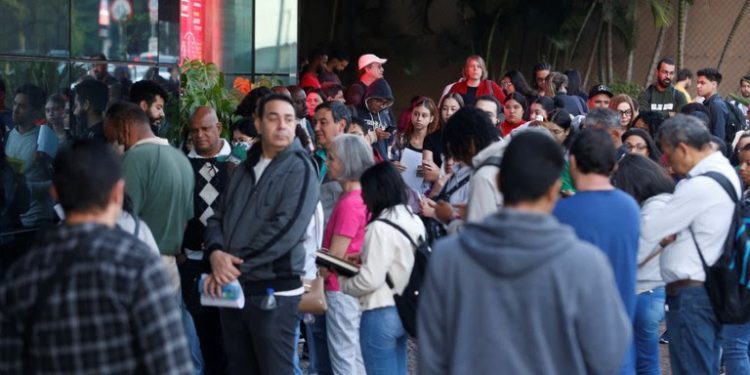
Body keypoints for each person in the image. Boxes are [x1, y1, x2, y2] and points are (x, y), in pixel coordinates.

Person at [418, 131, 631, 374]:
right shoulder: (587, 264)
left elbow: (432, 357)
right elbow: (609, 354)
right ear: (555, 188)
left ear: (499, 182)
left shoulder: (448, 258)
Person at [0, 139, 193, 374]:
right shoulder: (139, 265)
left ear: (54, 193)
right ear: (117, 193)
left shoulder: (21, 275)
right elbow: (172, 366)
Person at [203, 94, 320, 375]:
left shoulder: (301, 167)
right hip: (234, 290)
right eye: (273, 117)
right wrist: (216, 253)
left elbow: (285, 231)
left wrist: (230, 266)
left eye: (289, 119)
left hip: (274, 291)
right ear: (257, 122)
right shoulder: (243, 168)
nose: (282, 125)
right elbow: (217, 217)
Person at [103, 102, 203, 372]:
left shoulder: (133, 160)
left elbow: (121, 219)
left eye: (111, 135)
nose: (111, 142)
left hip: (139, 267)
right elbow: (184, 222)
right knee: (179, 337)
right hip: (170, 263)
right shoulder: (181, 159)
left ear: (124, 128)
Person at [642, 114, 739, 374]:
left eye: (666, 154)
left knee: (692, 369)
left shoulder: (699, 185)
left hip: (692, 295)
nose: (666, 163)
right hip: (709, 289)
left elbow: (650, 229)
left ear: (682, 149)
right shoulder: (725, 172)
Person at [554, 128, 640, 375]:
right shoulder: (630, 209)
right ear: (614, 166)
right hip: (621, 343)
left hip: (575, 350)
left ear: (572, 161)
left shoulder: (561, 213)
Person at [340, 161, 426, 375]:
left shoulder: (378, 227)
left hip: (379, 311)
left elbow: (370, 279)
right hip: (404, 311)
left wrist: (344, 281)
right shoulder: (414, 219)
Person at [611, 154, 675, 375]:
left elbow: (638, 252)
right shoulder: (663, 203)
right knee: (646, 357)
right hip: (652, 290)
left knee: (643, 359)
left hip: (644, 290)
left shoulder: (653, 209)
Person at [181, 106, 232, 374]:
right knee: (198, 332)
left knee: (228, 333)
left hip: (227, 264)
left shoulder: (237, 162)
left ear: (218, 128)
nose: (199, 135)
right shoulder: (182, 163)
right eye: (194, 130)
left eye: (205, 129)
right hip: (191, 262)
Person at [319, 134, 374, 375]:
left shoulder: (349, 202)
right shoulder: (360, 197)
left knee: (343, 359)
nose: (327, 163)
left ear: (347, 162)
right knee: (354, 355)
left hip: (339, 288)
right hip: (352, 287)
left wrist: (317, 263)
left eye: (332, 158)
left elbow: (336, 257)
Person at [422, 107, 498, 232]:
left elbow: (479, 236)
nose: (459, 159)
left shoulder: (483, 176)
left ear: (471, 143)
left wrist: (450, 218)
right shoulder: (503, 158)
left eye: (459, 153)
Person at [6, 84, 56, 228]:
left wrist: (29, 188)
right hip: (15, 218)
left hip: (37, 219)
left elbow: (59, 180)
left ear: (34, 111)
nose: (15, 110)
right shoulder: (11, 136)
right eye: (15, 104)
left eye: (22, 106)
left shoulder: (45, 137)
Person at [390, 97, 438, 195]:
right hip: (399, 191)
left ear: (431, 118)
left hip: (425, 195)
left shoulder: (434, 143)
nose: (419, 119)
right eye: (416, 114)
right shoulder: (400, 138)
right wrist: (392, 165)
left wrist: (428, 172)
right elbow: (389, 160)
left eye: (424, 115)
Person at [351, 78, 397, 162]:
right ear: (368, 97)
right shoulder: (354, 112)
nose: (381, 105)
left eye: (385, 103)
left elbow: (389, 145)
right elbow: (351, 142)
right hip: (361, 163)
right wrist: (373, 135)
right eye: (378, 100)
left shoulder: (386, 115)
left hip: (382, 164)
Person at [696, 68, 730, 142]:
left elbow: (719, 138)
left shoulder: (716, 105)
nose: (698, 86)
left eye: (702, 83)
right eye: (697, 82)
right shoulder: (708, 103)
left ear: (714, 84)